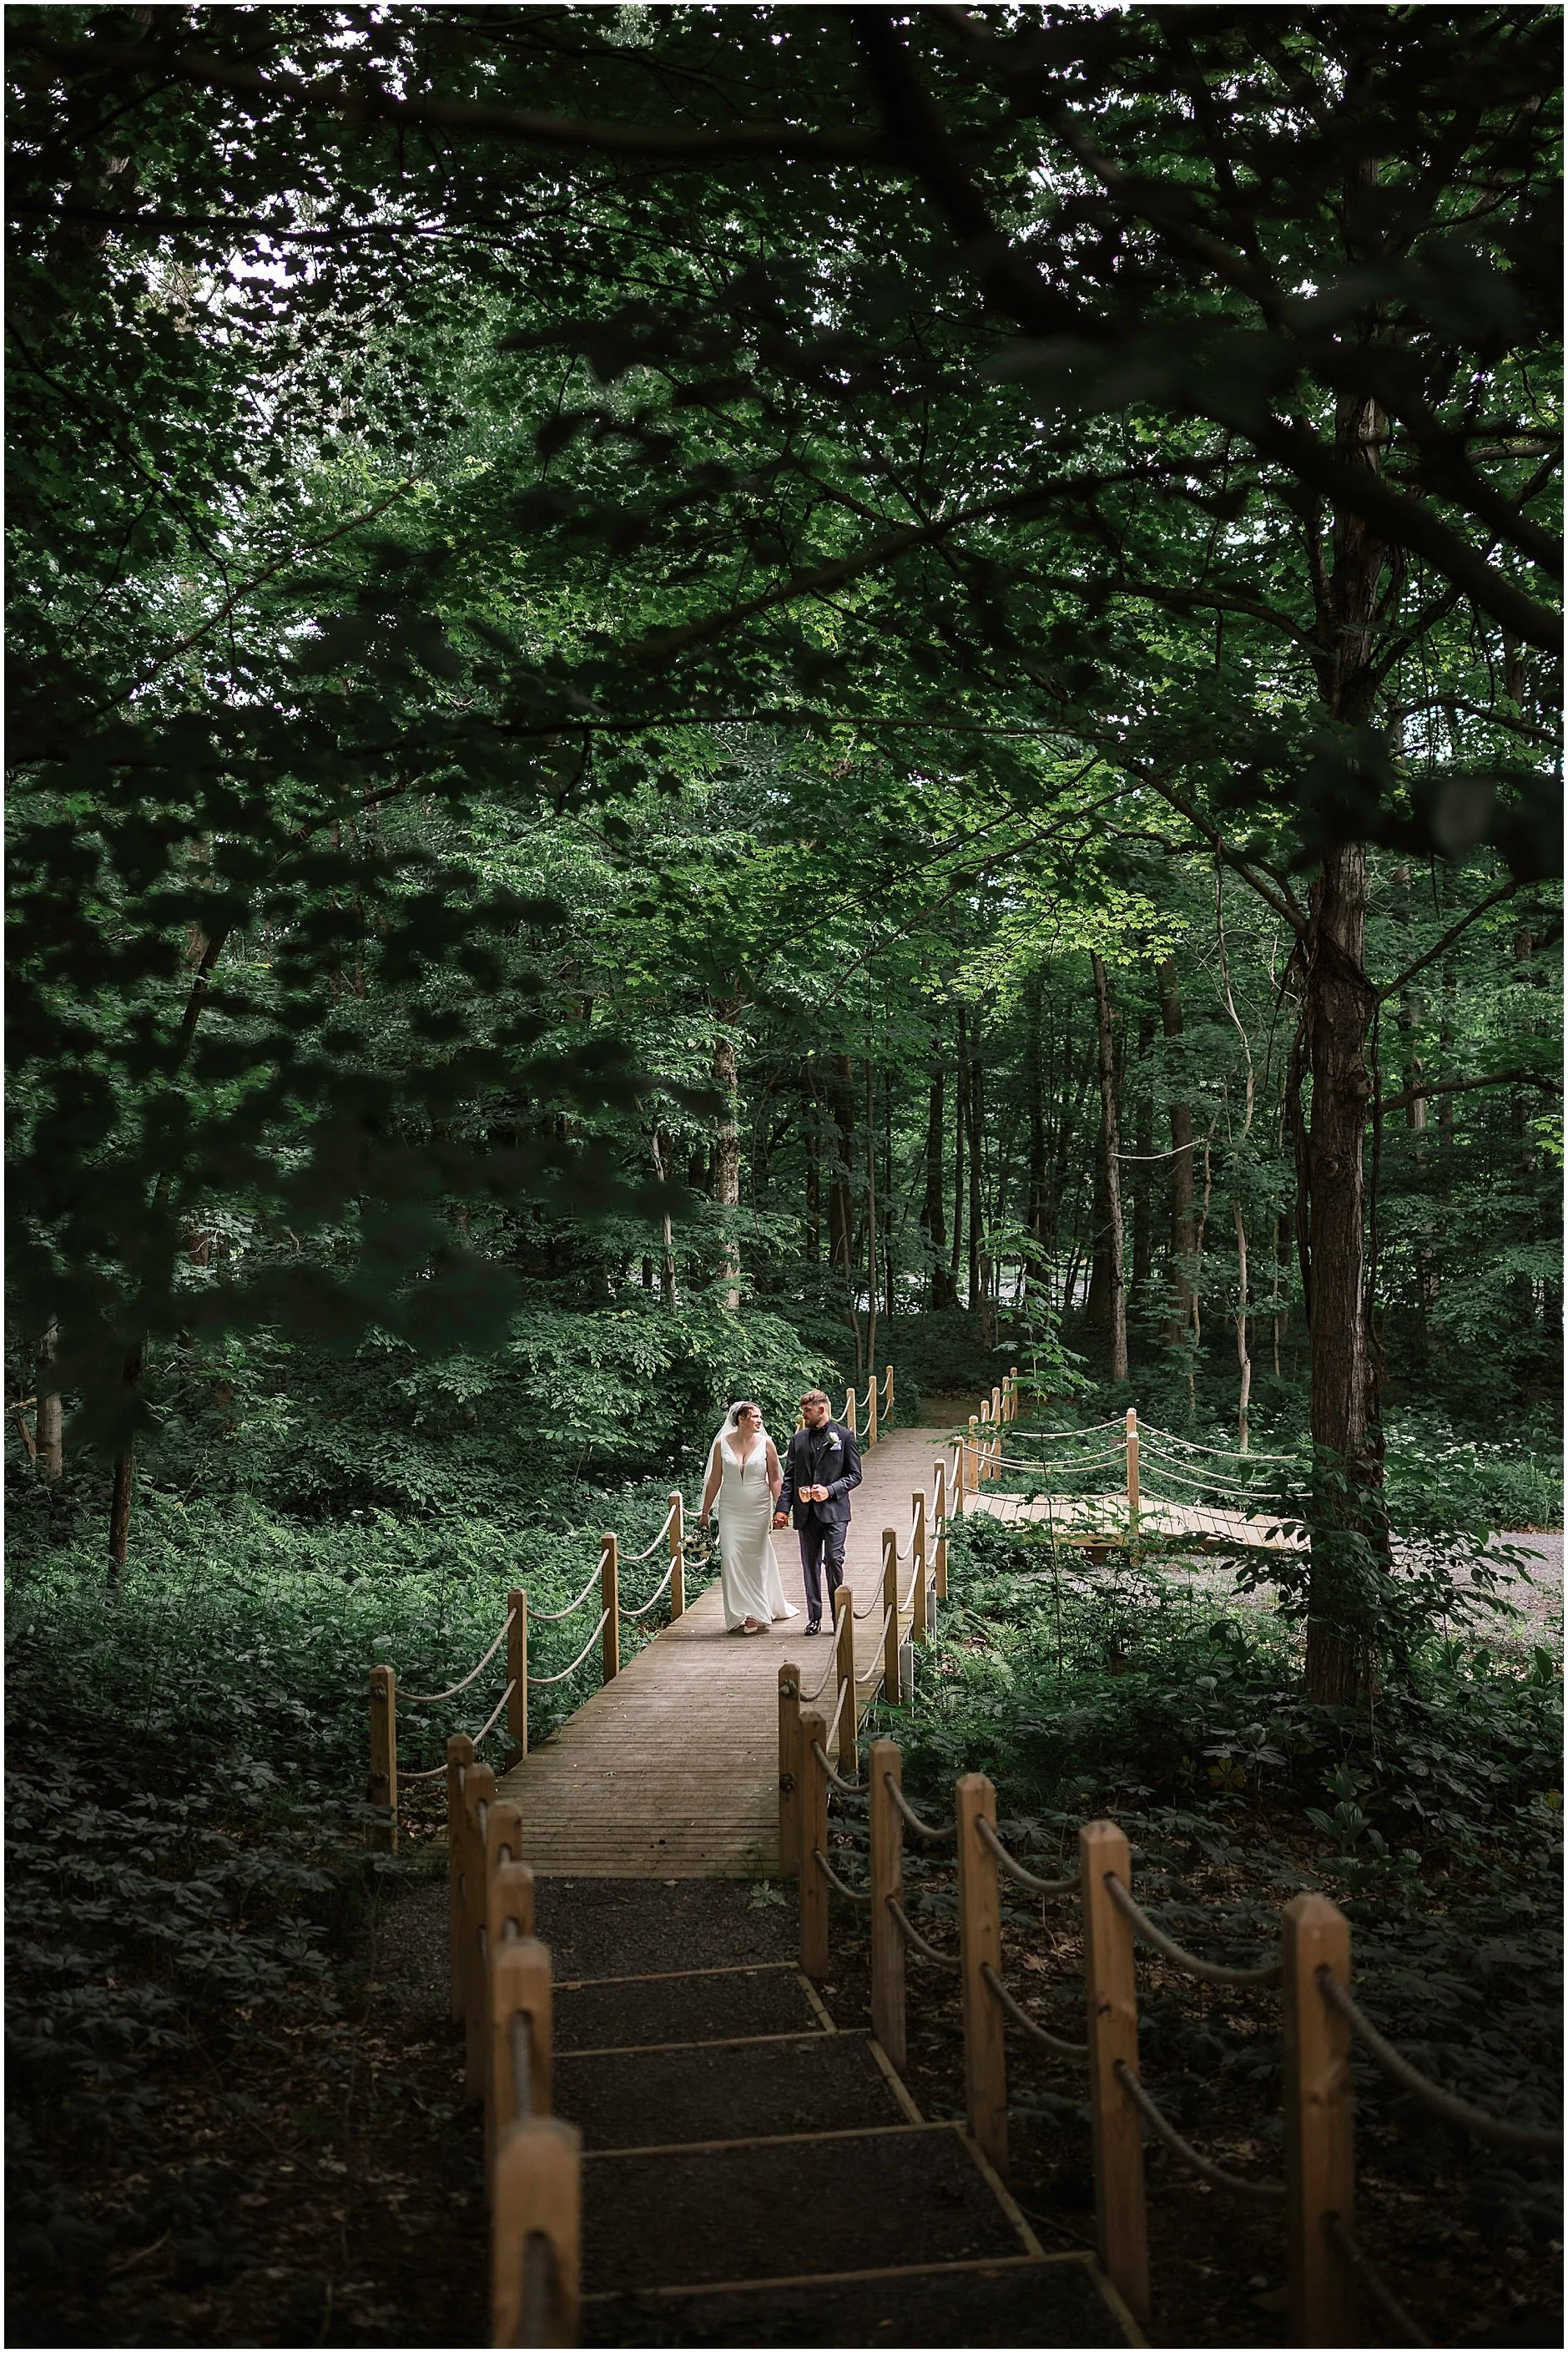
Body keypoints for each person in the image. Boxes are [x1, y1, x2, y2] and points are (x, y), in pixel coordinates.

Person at [700, 1401, 799, 1635]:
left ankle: (756, 1614)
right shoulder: (721, 1444)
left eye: (760, 1417)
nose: (759, 1421)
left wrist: (781, 1510)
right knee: (732, 1556)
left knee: (756, 1558)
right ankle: (739, 1613)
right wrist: (705, 1513)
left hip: (758, 1508)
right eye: (754, 1416)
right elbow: (714, 1479)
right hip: (731, 1509)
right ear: (741, 1419)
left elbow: (775, 1479)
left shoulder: (766, 1444)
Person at [774, 1386, 862, 1635]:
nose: (804, 1416)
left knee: (834, 1560)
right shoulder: (798, 1440)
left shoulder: (844, 1437)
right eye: (803, 1411)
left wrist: (830, 1490)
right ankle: (814, 1617)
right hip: (806, 1512)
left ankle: (839, 1616)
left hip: (835, 1511)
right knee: (809, 1565)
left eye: (807, 1411)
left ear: (821, 1410)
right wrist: (782, 1509)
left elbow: (855, 1475)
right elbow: (789, 1478)